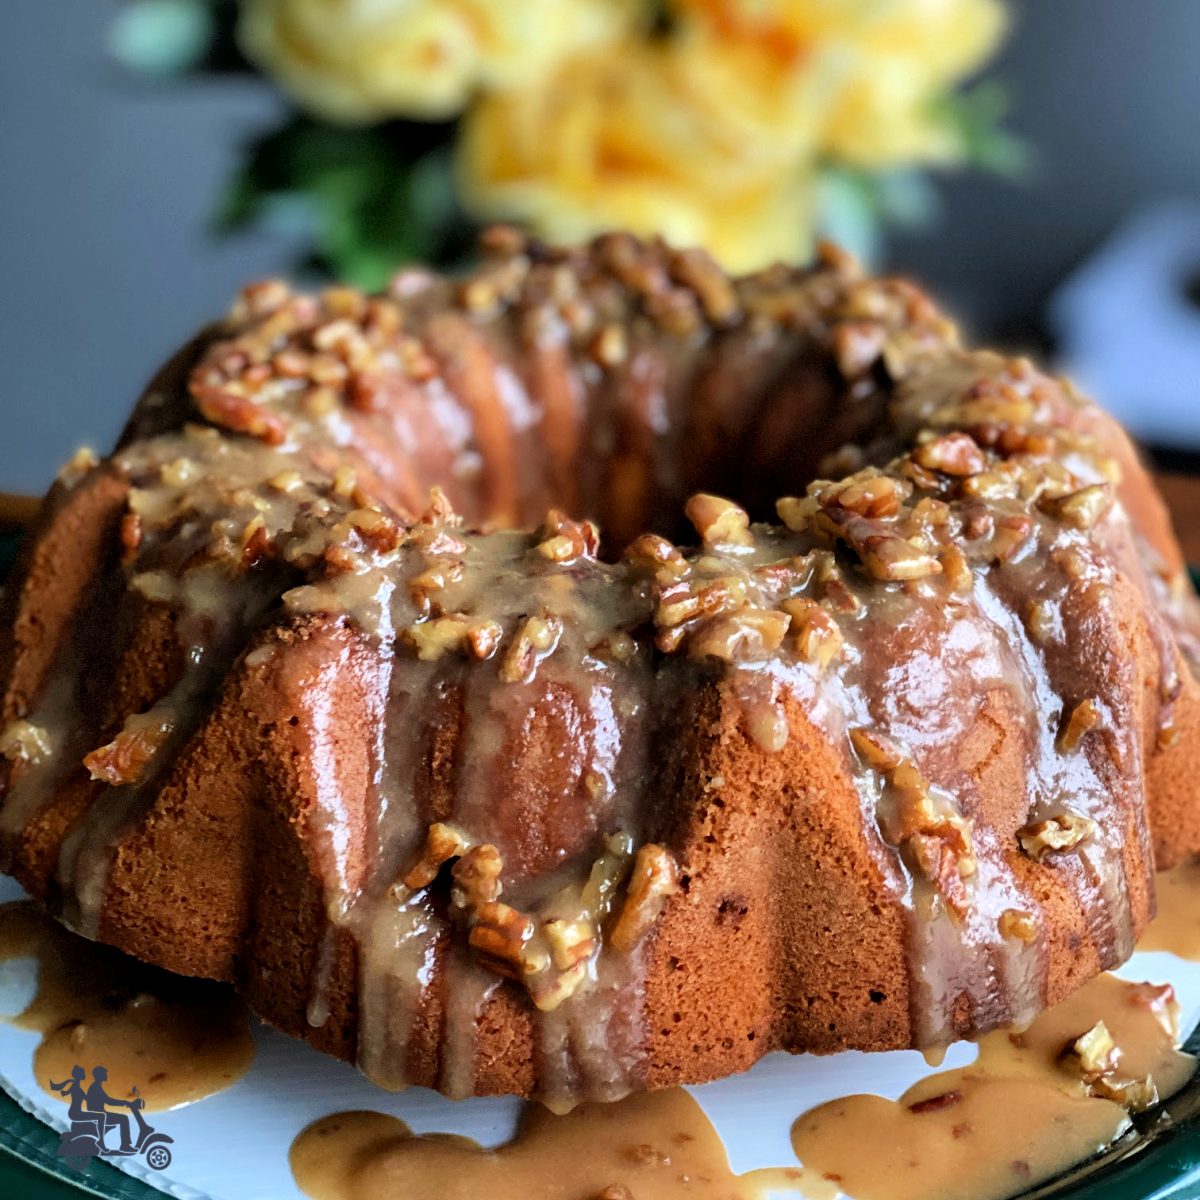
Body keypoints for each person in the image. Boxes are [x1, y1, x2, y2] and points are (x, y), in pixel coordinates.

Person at [83, 1066, 134, 1152]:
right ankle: (124, 1145)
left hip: (99, 1113)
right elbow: (109, 1101)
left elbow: (107, 1100)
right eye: (105, 1074)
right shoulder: (96, 1087)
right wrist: (124, 1103)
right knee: (123, 1119)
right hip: (98, 1114)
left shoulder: (96, 1086)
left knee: (123, 1118)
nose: (106, 1075)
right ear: (99, 1075)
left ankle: (119, 1144)